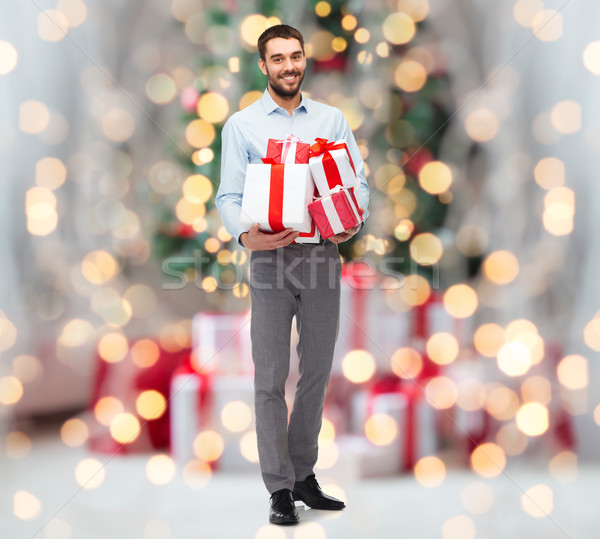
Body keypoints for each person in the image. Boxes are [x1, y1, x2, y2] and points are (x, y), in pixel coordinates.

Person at [216, 24, 369, 526]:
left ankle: (303, 474)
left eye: (295, 56)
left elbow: (357, 182)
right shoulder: (242, 126)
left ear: (305, 61)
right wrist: (245, 236)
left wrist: (352, 218)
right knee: (270, 374)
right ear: (263, 66)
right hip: (269, 260)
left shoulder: (331, 119)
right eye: (277, 58)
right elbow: (229, 198)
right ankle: (278, 487)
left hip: (322, 255)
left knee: (318, 370)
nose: (288, 66)